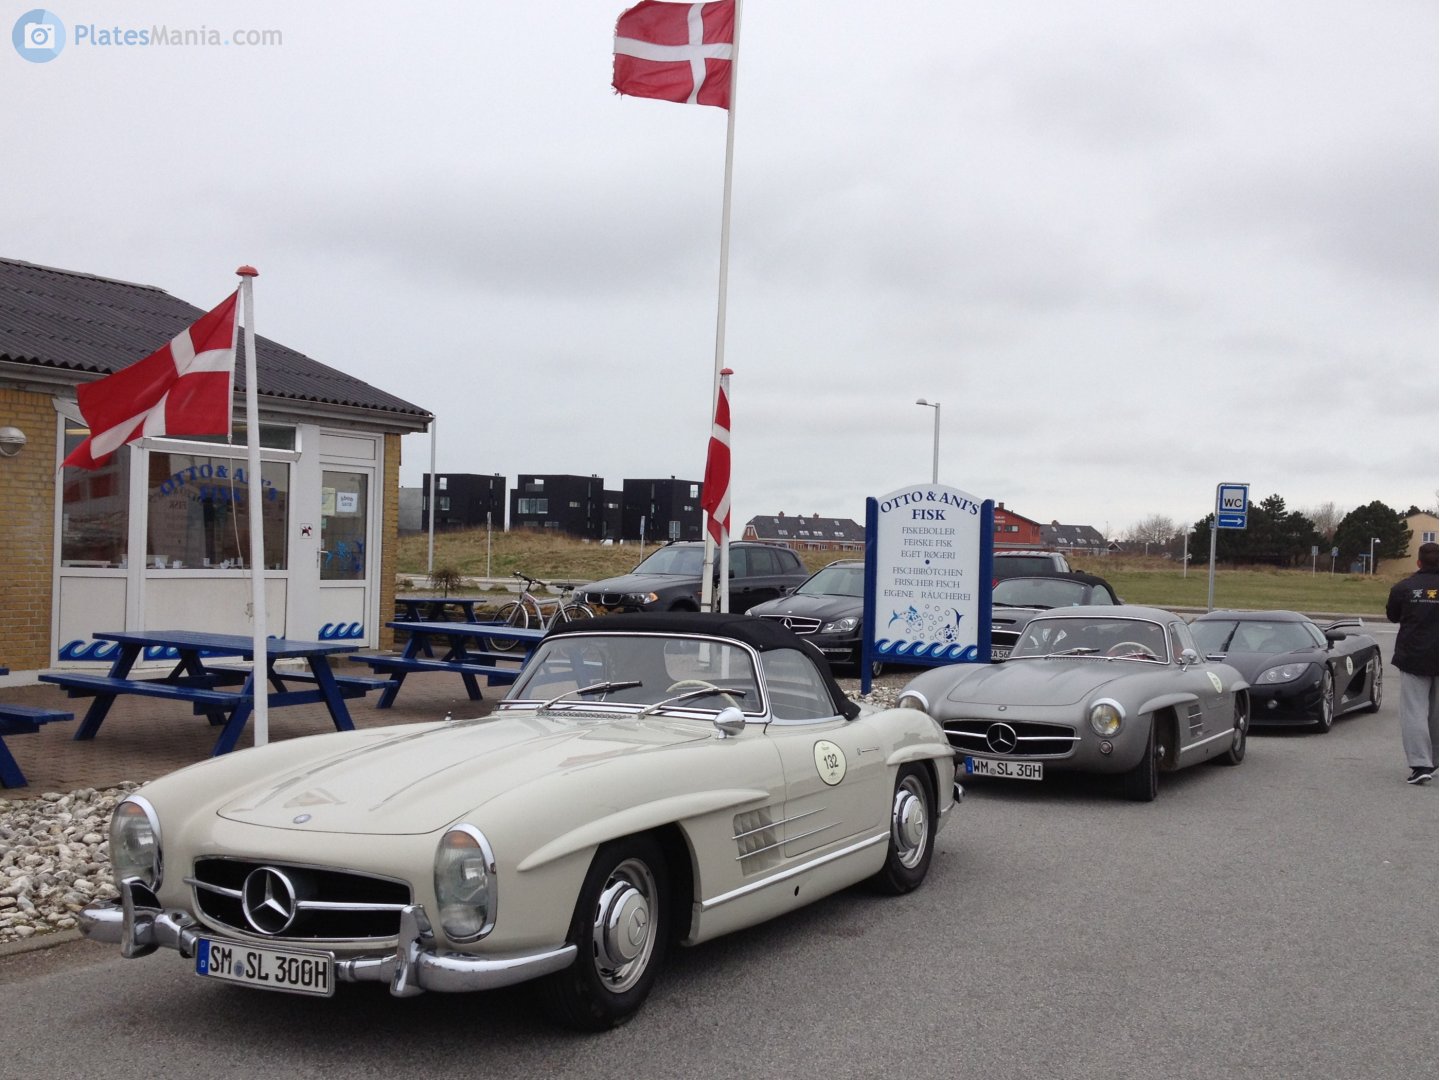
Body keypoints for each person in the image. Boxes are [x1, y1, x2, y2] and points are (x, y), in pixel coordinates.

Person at [1386, 541, 1438, 784]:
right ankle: (1434, 760)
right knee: (1437, 713)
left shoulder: (1404, 588)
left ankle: (1421, 764)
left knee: (1415, 712)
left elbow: (1393, 616)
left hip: (1413, 657)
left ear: (1418, 562)